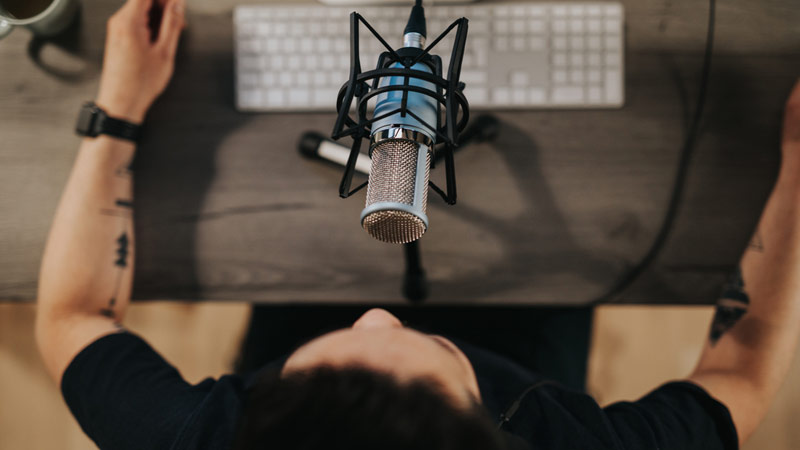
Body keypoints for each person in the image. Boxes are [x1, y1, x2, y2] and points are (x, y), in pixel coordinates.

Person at [35, 0, 800, 449]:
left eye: (330, 358)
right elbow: (743, 374)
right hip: (530, 345)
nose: (376, 315)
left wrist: (119, 113)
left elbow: (71, 320)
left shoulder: (202, 435)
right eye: (418, 343)